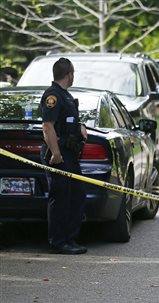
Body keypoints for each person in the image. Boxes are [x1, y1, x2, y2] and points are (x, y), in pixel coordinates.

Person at [40, 58, 88, 254]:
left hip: (69, 153)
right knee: (60, 198)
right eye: (73, 73)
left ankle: (70, 239)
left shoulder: (65, 96)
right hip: (58, 154)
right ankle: (59, 241)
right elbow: (47, 126)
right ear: (69, 74)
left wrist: (80, 126)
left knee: (75, 195)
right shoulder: (53, 96)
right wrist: (56, 153)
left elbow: (66, 122)